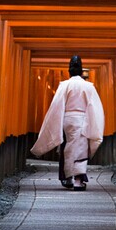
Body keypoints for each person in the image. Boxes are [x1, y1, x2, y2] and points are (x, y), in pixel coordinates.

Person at [30, 55, 105, 191]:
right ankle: (77, 179)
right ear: (82, 70)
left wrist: (56, 122)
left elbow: (57, 105)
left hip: (67, 119)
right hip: (83, 118)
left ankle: (68, 177)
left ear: (69, 71)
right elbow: (95, 106)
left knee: (68, 147)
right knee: (81, 148)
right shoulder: (88, 86)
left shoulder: (64, 85)